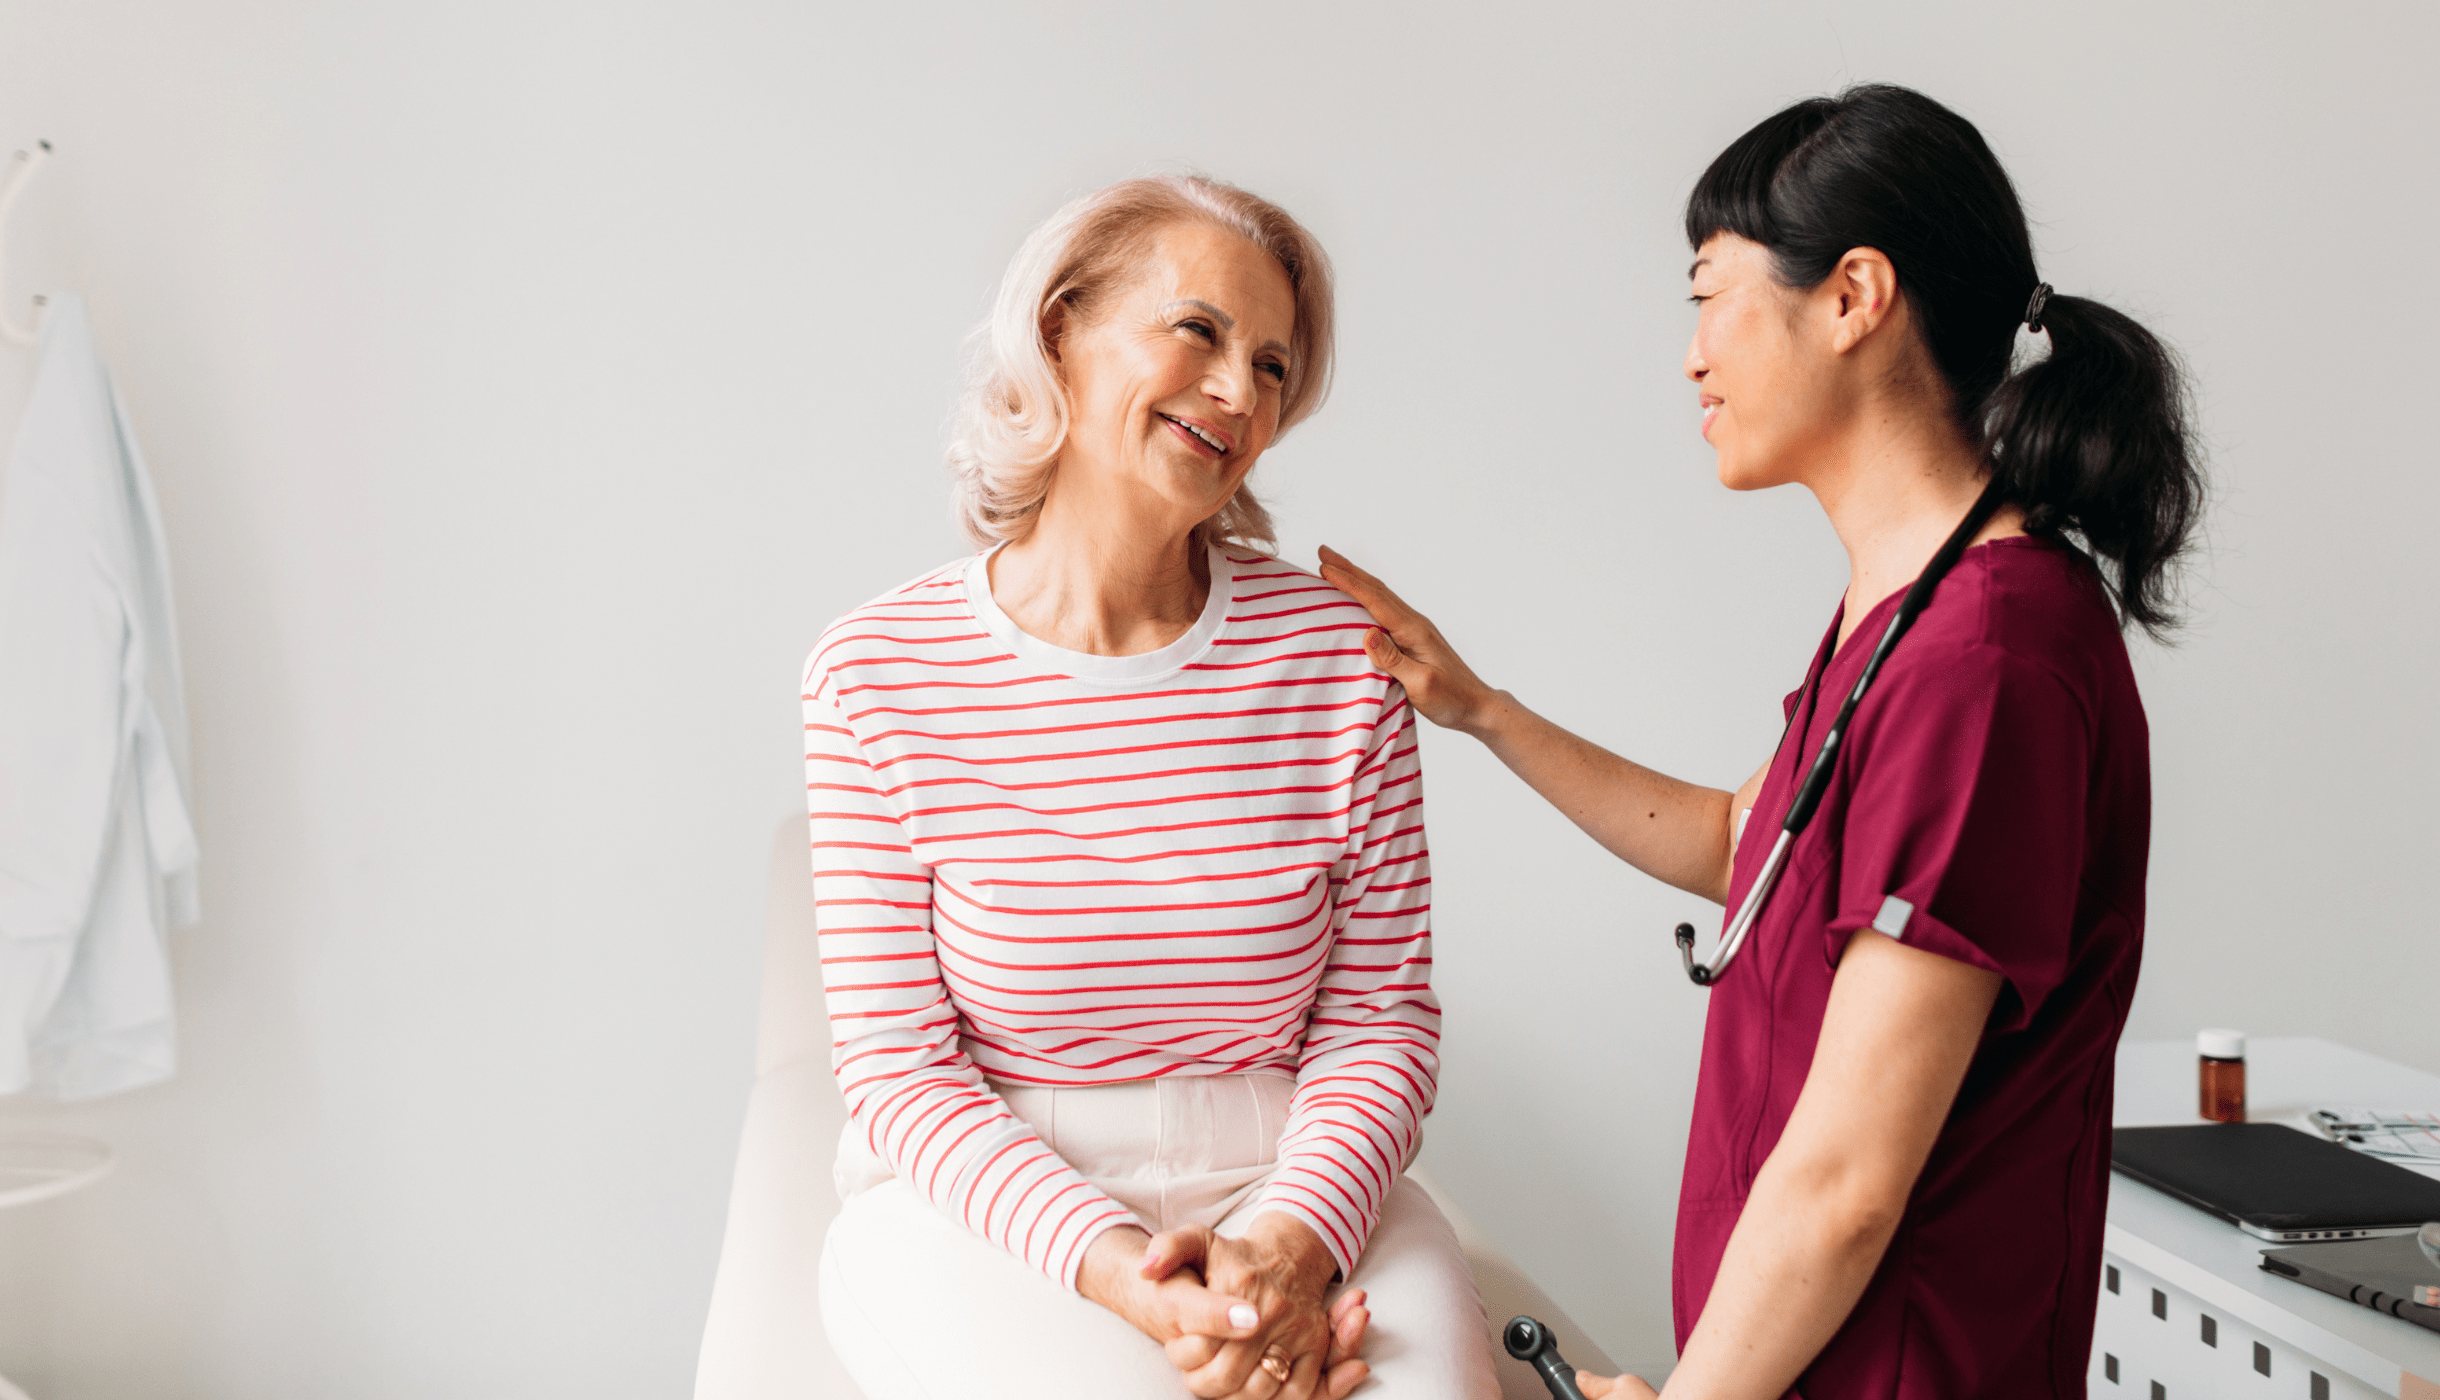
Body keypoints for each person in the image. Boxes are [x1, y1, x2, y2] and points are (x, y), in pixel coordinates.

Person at [1321, 85, 2203, 1399]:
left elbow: (1848, 1184)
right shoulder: (1910, 616)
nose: (1691, 354)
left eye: (1708, 294)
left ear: (1853, 298)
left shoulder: (1987, 662)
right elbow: (1755, 844)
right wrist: (1480, 709)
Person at [803, 175, 1499, 1400]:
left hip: (1291, 1180)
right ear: (1060, 329)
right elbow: (900, 1070)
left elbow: (1380, 1023)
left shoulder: (1338, 657)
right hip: (989, 1204)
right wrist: (1126, 1270)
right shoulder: (875, 672)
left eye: (1274, 366)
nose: (1240, 392)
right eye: (1199, 331)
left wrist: (1288, 1247)